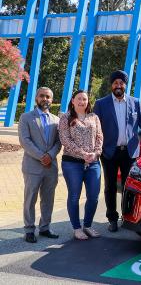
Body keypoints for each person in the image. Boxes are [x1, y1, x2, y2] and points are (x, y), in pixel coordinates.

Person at [93, 70, 141, 232]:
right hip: (109, 152)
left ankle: (127, 216)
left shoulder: (135, 102)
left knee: (129, 187)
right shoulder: (101, 104)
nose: (118, 86)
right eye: (115, 83)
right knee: (110, 186)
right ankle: (112, 218)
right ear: (111, 85)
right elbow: (94, 127)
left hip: (129, 152)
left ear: (125, 85)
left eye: (121, 83)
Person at [18, 87, 61, 243]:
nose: (45, 99)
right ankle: (29, 229)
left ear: (52, 99)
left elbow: (58, 142)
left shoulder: (57, 120)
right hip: (32, 166)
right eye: (42, 96)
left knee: (48, 198)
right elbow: (25, 141)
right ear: (36, 98)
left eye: (48, 97)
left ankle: (45, 228)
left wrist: (50, 155)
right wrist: (41, 156)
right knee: (30, 199)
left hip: (51, 167)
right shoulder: (26, 117)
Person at [59, 90, 103, 240]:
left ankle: (88, 226)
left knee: (94, 196)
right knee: (74, 196)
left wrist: (96, 153)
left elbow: (99, 137)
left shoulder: (94, 117)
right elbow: (65, 140)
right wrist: (83, 153)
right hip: (72, 163)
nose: (82, 102)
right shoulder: (65, 118)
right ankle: (77, 228)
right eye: (78, 99)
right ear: (72, 101)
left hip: (93, 163)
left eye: (84, 99)